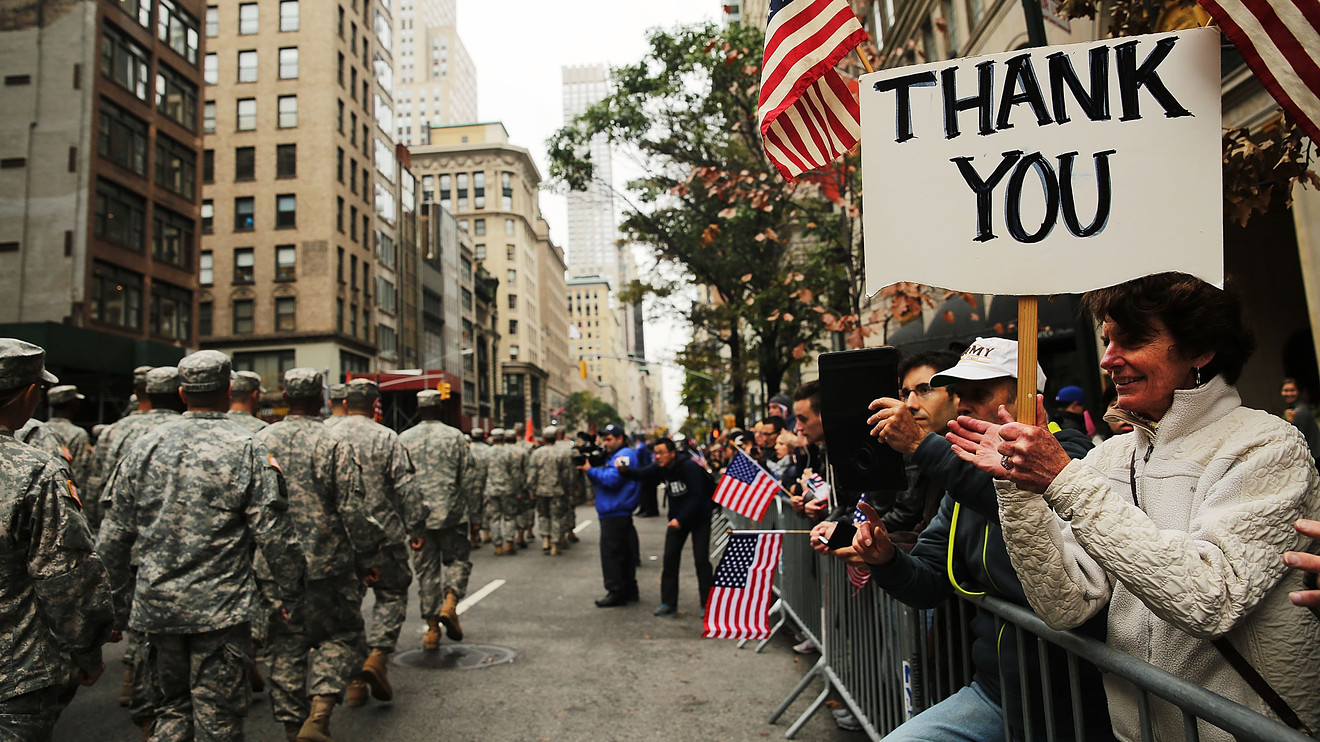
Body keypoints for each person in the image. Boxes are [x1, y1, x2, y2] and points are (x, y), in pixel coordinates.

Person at [949, 273, 1320, 739]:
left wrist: (1064, 479)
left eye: (1134, 339)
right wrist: (1017, 488)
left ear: (1200, 349)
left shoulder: (1268, 446)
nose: (1108, 359)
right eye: (1107, 340)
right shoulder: (1110, 456)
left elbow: (1210, 598)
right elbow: (1066, 606)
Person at [842, 337, 1114, 742]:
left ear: (1028, 398)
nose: (962, 405)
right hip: (994, 694)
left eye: (979, 394)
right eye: (957, 394)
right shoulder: (961, 479)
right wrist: (886, 560)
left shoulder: (1075, 456)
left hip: (1072, 706)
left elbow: (1019, 499)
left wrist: (921, 445)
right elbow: (930, 581)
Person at [98, 350, 305, 742]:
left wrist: (107, 607)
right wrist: (292, 597)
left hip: (157, 610)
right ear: (228, 391)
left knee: (171, 712)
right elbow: (274, 535)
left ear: (181, 392)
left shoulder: (143, 446)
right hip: (220, 614)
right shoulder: (248, 446)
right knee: (219, 720)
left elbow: (113, 537)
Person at [257, 368, 385, 742]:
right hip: (327, 562)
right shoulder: (333, 444)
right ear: (322, 400)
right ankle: (321, 710)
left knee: (284, 646)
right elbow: (353, 510)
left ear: (284, 397)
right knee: (342, 635)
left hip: (274, 564)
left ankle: (291, 726)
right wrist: (369, 558)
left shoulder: (259, 441)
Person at [0, 339, 115, 740]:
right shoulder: (37, 471)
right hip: (12, 675)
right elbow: (65, 576)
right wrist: (87, 650)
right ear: (30, 393)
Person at [330, 379, 423, 708]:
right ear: (374, 404)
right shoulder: (387, 438)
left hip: (339, 538)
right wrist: (417, 526)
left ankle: (355, 681)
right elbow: (407, 489)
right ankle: (378, 656)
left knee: (348, 606)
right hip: (384, 536)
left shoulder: (327, 433)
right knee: (392, 594)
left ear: (344, 402)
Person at [398, 389, 472, 649]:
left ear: (418, 411)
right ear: (440, 410)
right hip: (452, 513)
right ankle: (450, 602)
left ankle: (431, 631)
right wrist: (475, 514)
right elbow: (469, 478)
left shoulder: (403, 439)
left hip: (418, 518)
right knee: (458, 561)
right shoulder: (455, 437)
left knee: (426, 573)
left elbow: (400, 483)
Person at [619, 438, 714, 616]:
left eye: (662, 452)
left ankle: (708, 604)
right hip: (677, 519)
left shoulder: (689, 467)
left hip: (699, 517)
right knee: (670, 559)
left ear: (672, 453)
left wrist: (681, 519)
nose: (658, 456)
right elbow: (643, 474)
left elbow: (697, 497)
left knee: (701, 560)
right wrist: (625, 471)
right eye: (655, 453)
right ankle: (668, 603)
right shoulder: (660, 467)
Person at [578, 424, 642, 607]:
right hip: (616, 511)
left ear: (620, 439)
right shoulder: (617, 455)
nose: (605, 443)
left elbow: (612, 480)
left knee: (612, 554)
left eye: (609, 439)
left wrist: (589, 469)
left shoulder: (624, 456)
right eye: (604, 440)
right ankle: (628, 589)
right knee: (624, 554)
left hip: (615, 511)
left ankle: (616, 591)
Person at [39, 384, 94, 487]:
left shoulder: (40, 429)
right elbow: (79, 473)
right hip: (65, 491)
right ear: (72, 404)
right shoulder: (78, 434)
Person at [526, 427, 569, 555]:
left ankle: (546, 539)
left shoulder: (537, 453)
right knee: (556, 516)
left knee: (543, 515)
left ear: (544, 439)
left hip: (541, 491)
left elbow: (532, 474)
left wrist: (531, 489)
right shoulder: (561, 453)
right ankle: (555, 544)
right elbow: (567, 474)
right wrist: (568, 488)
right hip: (557, 490)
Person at [485, 428, 525, 556]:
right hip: (508, 489)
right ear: (503, 439)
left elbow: (481, 472)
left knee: (494, 518)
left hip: (491, 489)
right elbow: (515, 473)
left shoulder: (487, 453)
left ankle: (497, 545)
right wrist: (518, 488)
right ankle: (509, 542)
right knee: (509, 517)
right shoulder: (509, 453)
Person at [1281, 377, 1320, 469]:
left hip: (1314, 457)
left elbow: (1297, 438)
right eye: (1286, 390)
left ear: (1298, 392)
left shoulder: (1299, 412)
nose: (1289, 393)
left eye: (1292, 390)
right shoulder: (1291, 410)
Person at [467, 427, 493, 547]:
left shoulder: (468, 449)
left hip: (470, 484)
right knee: (486, 508)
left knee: (472, 510)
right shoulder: (489, 450)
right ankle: (486, 532)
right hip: (486, 482)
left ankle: (473, 535)